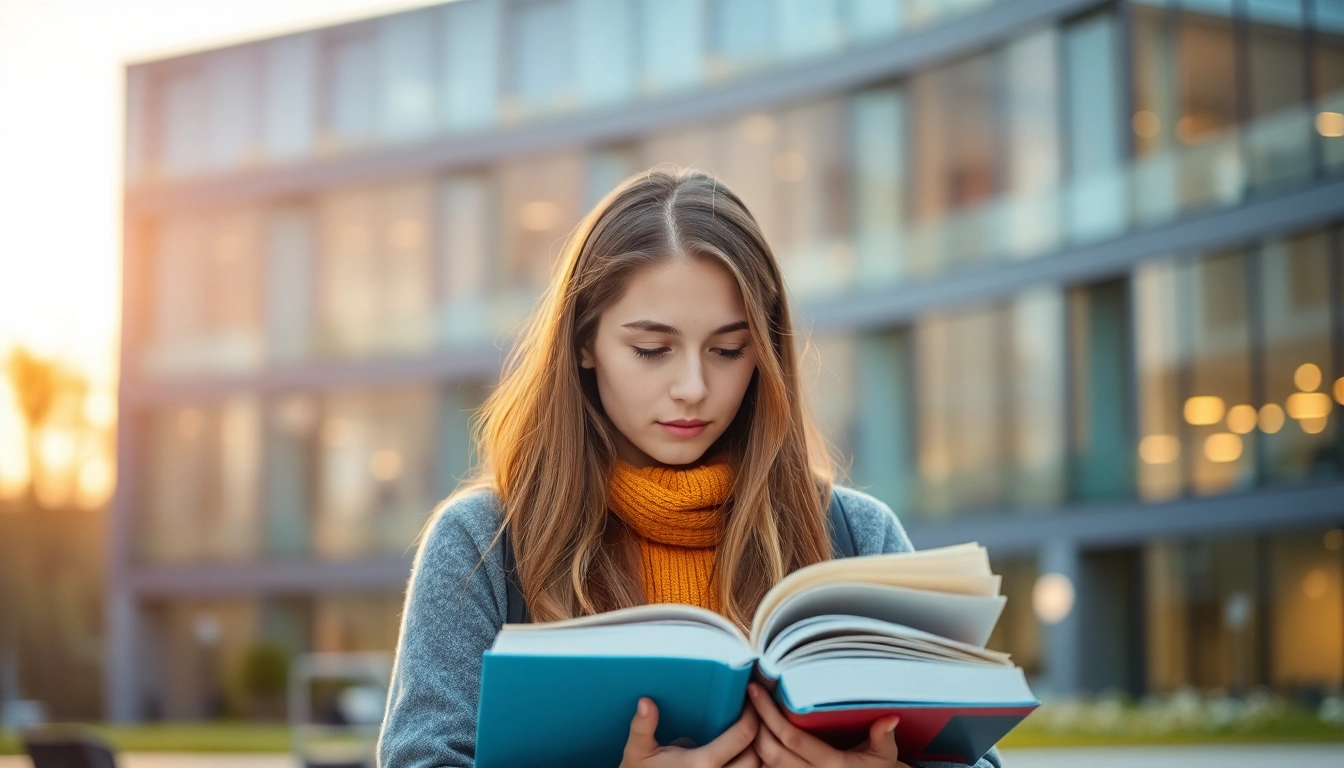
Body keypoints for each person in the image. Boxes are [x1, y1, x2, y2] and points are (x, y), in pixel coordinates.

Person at [377, 168, 1004, 768]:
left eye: (728, 350)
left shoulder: (858, 535)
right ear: (584, 344)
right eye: (652, 350)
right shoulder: (481, 543)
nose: (693, 387)